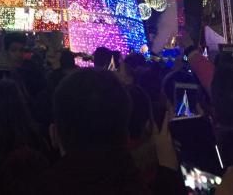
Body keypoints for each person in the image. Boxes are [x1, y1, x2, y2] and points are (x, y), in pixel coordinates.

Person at [41, 68, 184, 195]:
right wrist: (169, 172)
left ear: (54, 134)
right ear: (126, 133)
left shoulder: (35, 186)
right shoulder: (150, 184)